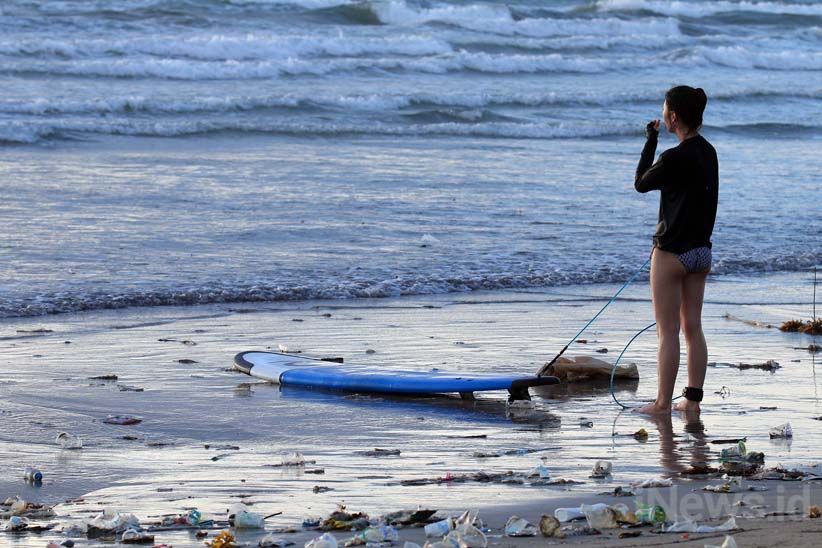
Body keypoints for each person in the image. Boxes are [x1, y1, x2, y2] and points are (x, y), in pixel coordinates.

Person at [633, 85, 719, 415]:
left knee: (667, 332)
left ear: (673, 117)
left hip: (671, 254)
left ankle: (661, 404)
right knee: (692, 327)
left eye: (665, 110)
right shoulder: (708, 151)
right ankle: (691, 401)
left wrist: (650, 141)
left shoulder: (672, 157)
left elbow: (641, 183)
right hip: (701, 253)